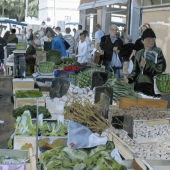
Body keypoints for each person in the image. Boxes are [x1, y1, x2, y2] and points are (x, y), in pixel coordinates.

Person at [126, 28, 166, 96]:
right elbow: (135, 71)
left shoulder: (157, 51)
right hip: (139, 85)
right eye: (148, 39)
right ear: (142, 41)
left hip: (152, 85)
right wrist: (129, 79)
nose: (151, 41)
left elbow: (160, 69)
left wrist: (146, 65)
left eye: (153, 39)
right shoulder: (139, 53)